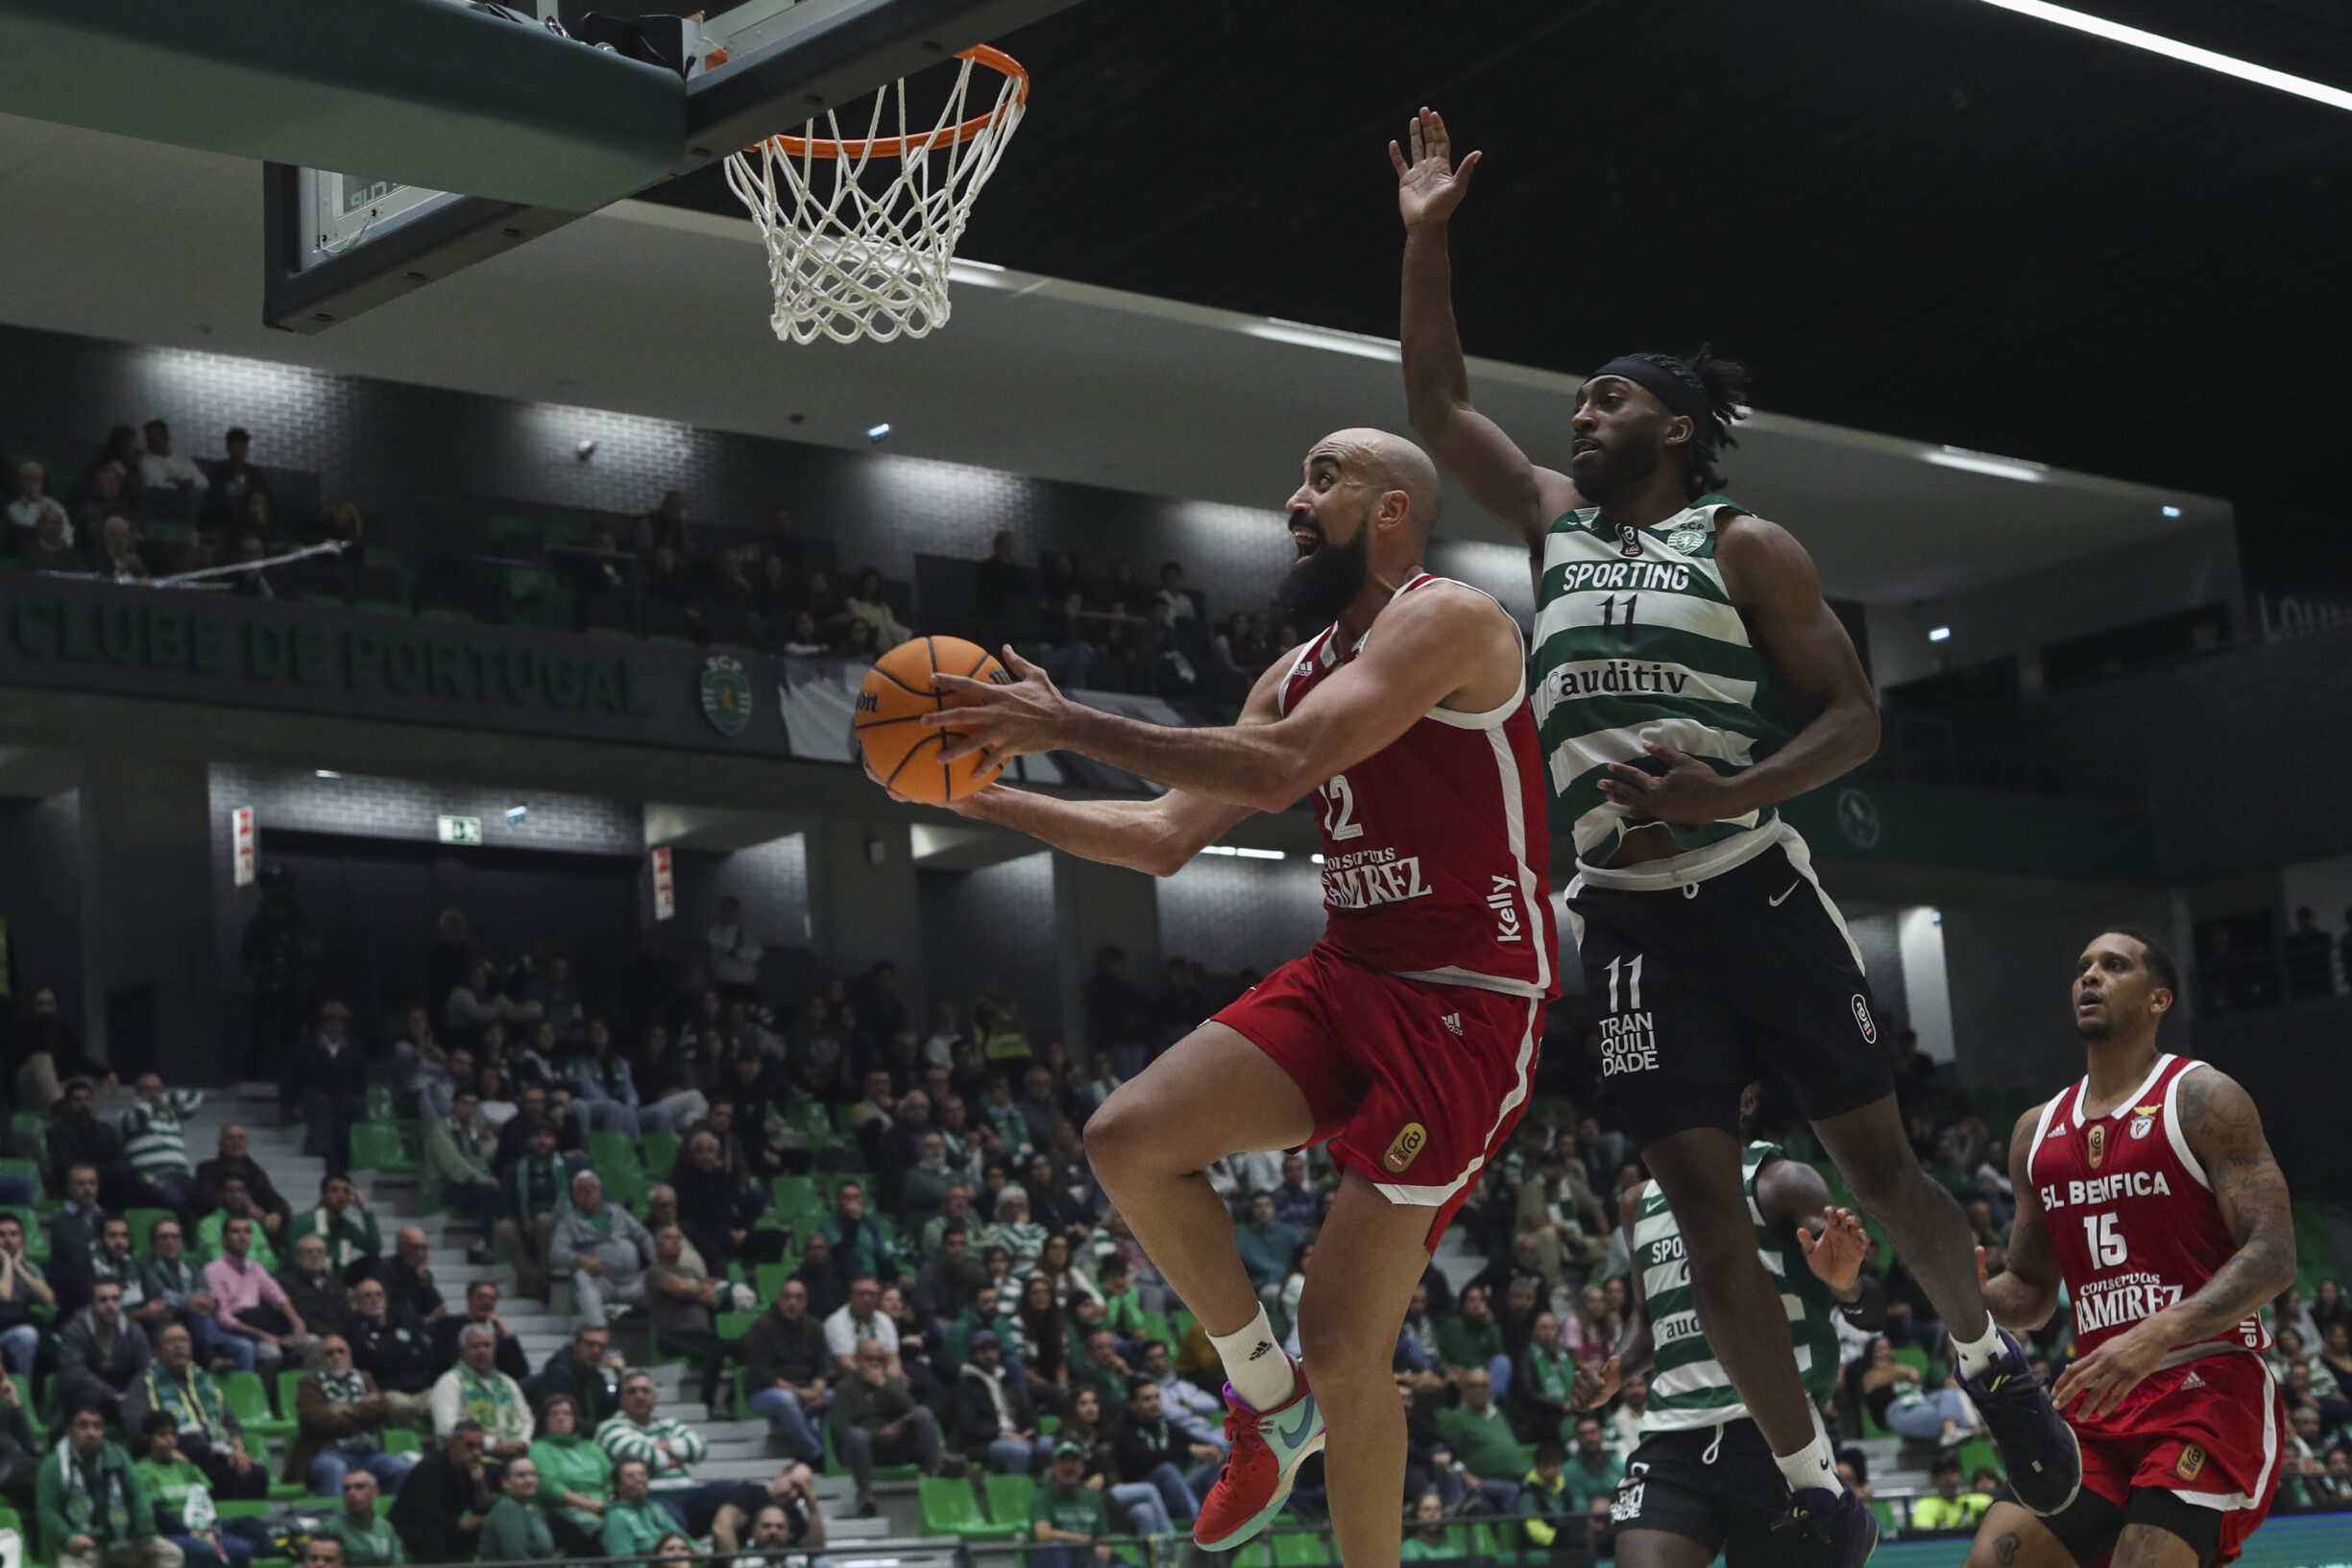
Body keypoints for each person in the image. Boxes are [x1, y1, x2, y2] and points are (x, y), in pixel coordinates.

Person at [1392, 106, 2072, 1551]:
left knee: (1880, 1170)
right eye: (1576, 402)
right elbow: (1438, 400)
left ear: (1674, 425)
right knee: (1700, 1204)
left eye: (1604, 400)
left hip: (1751, 885)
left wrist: (1724, 792)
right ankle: (1817, 1482)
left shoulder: (1745, 544)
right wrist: (1427, 236)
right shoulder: (1550, 518)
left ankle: (1982, 1361)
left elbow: (1855, 721)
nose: (1578, 417)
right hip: (1628, 917)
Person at [881, 421, 1552, 1568]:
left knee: (1345, 1345)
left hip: (1467, 996)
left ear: (1393, 508)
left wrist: (1069, 724)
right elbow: (1159, 839)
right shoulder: (1287, 674)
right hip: (1353, 969)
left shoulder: (1450, 617)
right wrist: (986, 800)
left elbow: (1286, 769)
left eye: (1323, 478)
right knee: (1129, 1136)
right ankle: (1261, 1397)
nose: (1295, 500)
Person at [1961, 930, 2296, 1568]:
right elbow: (2030, 1294)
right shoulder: (2036, 1130)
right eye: (2082, 966)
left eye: (2113, 966)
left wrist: (2156, 1333)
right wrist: (1962, 1291)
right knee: (1992, 1560)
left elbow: (2276, 1253)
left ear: (2157, 999)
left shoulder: (2201, 1097)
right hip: (2098, 1397)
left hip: (2206, 1383)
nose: (2089, 976)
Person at [1571, 1100, 1885, 1568]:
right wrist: (1613, 1371)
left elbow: (1873, 1311)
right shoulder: (1638, 1203)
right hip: (1673, 1433)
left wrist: (1847, 1284)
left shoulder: (1781, 1181)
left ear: (1747, 1099)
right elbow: (1647, 1316)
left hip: (1775, 1432)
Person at [121, 1326, 268, 1503]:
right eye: (171, 1341)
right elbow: (134, 1424)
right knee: (195, 1444)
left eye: (183, 1340)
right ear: (158, 1352)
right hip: (175, 1453)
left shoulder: (203, 1381)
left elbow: (230, 1421)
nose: (179, 1346)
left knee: (256, 1475)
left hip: (214, 1455)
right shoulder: (145, 1383)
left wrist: (238, 1449)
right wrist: (166, 1448)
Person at [38, 1407, 182, 1568]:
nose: (91, 1433)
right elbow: (48, 1511)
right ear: (70, 1431)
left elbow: (137, 1497)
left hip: (121, 1541)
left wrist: (146, 1535)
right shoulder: (54, 1465)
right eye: (83, 1426)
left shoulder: (118, 1456)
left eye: (97, 1426)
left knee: (171, 1555)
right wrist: (68, 1538)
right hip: (81, 1545)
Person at [288, 1334, 424, 1496]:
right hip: (328, 1454)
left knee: (400, 1469)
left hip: (369, 1453)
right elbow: (320, 1421)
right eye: (329, 1353)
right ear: (321, 1359)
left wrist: (345, 1409)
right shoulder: (310, 1383)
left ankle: (389, 1518)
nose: (336, 1356)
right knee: (335, 1469)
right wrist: (363, 1410)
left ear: (349, 1356)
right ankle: (335, 1517)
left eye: (341, 1351)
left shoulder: (365, 1378)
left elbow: (381, 1409)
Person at [831, 1338, 943, 1515]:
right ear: (857, 1360)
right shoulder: (845, 1388)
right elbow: (840, 1430)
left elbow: (910, 1408)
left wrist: (882, 1384)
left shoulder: (892, 1383)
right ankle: (865, 1495)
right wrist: (877, 1435)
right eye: (869, 1358)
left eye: (879, 1359)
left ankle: (936, 1475)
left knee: (922, 1414)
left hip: (896, 1443)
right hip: (864, 1447)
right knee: (856, 1436)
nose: (875, 1363)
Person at [138, 1220, 249, 1374]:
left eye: (175, 1237)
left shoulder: (191, 1267)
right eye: (163, 1237)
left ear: (181, 1242)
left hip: (203, 1329)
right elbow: (161, 1295)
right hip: (165, 1327)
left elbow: (205, 1294)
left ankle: (242, 1395)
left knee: (245, 1347)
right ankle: (209, 1358)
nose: (170, 1242)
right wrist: (189, 1303)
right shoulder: (145, 1266)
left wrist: (210, 1302)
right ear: (154, 1243)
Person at [201, 1218, 307, 1377]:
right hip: (239, 1328)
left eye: (247, 1231)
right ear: (224, 1239)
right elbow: (223, 1318)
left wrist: (295, 1319)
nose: (242, 1236)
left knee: (312, 1343)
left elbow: (276, 1294)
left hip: (265, 1323)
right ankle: (265, 1398)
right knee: (272, 1353)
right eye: (235, 1231)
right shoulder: (212, 1270)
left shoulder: (254, 1266)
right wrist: (262, 1335)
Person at [743, 1279, 831, 1462]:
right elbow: (760, 1372)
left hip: (806, 1388)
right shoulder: (762, 1326)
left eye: (799, 1298)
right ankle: (815, 1454)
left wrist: (818, 1387)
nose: (793, 1303)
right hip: (765, 1392)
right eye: (788, 1297)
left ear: (805, 1303)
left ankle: (823, 1442)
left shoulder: (815, 1327)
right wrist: (799, 1393)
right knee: (787, 1400)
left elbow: (823, 1366)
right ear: (779, 1300)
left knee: (837, 1396)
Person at [553, 1171, 656, 1328]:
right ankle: (598, 1328)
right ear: (575, 1195)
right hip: (602, 1281)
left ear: (600, 1191)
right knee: (581, 1276)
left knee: (660, 1279)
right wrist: (580, 1259)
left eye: (592, 1187)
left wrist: (655, 1260)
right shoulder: (569, 1222)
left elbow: (644, 1236)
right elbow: (556, 1252)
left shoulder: (618, 1212)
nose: (588, 1191)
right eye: (582, 1188)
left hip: (633, 1281)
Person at [387, 1421, 492, 1564]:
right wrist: (460, 1524)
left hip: (447, 1526)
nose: (477, 1453)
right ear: (452, 1445)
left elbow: (481, 1508)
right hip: (411, 1528)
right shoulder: (430, 1466)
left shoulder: (470, 1467)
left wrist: (481, 1484)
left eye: (480, 1446)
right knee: (435, 1537)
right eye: (470, 1446)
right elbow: (425, 1513)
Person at [430, 1322, 534, 1460]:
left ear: (494, 1348)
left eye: (486, 1345)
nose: (481, 1351)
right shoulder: (449, 1382)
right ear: (462, 1349)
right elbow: (446, 1429)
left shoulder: (508, 1383)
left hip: (514, 1456)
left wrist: (522, 1442)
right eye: (475, 1346)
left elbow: (526, 1420)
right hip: (469, 1460)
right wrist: (492, 1446)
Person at [527, 1393, 614, 1555]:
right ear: (544, 1421)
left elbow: (611, 1481)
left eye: (566, 1413)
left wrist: (610, 1502)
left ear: (575, 1418)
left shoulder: (592, 1448)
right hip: (564, 1511)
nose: (561, 1418)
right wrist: (588, 1505)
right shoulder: (539, 1448)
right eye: (554, 1414)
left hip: (603, 1506)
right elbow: (549, 1487)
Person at [60, 1281, 153, 1429]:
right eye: (103, 1300)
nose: (110, 1305)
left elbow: (145, 1368)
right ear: (91, 1303)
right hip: (90, 1395)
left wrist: (131, 1395)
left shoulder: (133, 1328)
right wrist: (111, 1395)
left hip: (126, 1394)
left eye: (115, 1299)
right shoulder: (74, 1330)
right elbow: (74, 1375)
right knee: (83, 1398)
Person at [118, 1078, 203, 1218]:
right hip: (152, 1175)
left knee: (208, 1200)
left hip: (181, 1175)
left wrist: (164, 1098)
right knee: (176, 1200)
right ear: (137, 1092)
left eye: (158, 1089)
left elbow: (196, 1096)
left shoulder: (172, 1115)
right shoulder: (127, 1116)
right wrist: (153, 1101)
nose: (154, 1093)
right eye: (147, 1089)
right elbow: (142, 1114)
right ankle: (186, 1236)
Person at [1029, 1441, 1114, 1568]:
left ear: (1082, 1468)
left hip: (1088, 1562)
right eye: (1063, 1461)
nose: (1069, 1466)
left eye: (1074, 1461)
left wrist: (1103, 1551)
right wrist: (1078, 1539)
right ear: (1053, 1467)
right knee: (1056, 1547)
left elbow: (1102, 1537)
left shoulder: (1093, 1498)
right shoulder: (1042, 1496)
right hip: (1055, 1560)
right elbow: (1042, 1534)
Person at [286, 1174, 381, 1284]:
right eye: (334, 1190)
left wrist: (365, 1210)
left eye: (346, 1191)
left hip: (336, 1284)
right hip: (305, 1282)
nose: (341, 1195)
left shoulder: (346, 1226)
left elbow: (374, 1247)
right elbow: (291, 1261)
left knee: (375, 1263)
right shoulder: (305, 1221)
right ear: (323, 1194)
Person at [430, 1281, 532, 1384]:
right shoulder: (448, 1325)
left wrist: (507, 1336)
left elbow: (522, 1372)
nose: (486, 1302)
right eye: (481, 1297)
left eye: (491, 1298)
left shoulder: (497, 1332)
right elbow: (448, 1361)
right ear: (469, 1300)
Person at [478, 1455, 559, 1561]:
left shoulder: (534, 1508)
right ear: (505, 1482)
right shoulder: (507, 1510)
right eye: (521, 1475)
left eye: (533, 1474)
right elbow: (517, 1559)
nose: (529, 1480)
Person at [317, 1470, 403, 1568]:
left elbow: (398, 1563)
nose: (352, 1493)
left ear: (375, 1492)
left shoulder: (385, 1527)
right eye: (347, 1489)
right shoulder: (331, 1528)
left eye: (359, 1487)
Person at [600, 1458, 672, 1560]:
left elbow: (684, 1538)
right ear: (618, 1486)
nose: (639, 1479)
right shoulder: (616, 1518)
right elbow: (625, 1564)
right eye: (630, 1476)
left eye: (643, 1474)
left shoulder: (657, 1509)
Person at [1918, 1456, 1993, 1531]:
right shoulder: (1926, 1504)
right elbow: (1924, 1531)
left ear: (1961, 1477)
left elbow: (1998, 1505)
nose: (1948, 1476)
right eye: (1942, 1472)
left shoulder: (1970, 1499)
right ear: (1933, 1479)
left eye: (1953, 1471)